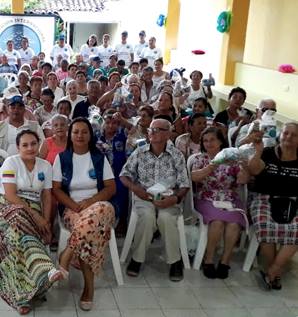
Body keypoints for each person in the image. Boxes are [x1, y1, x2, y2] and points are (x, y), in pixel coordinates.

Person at [247, 122, 298, 291]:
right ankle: (275, 272)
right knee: (265, 225)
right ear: (280, 135)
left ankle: (272, 271)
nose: (289, 137)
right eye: (286, 133)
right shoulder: (267, 153)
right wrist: (258, 151)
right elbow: (253, 171)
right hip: (264, 197)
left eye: (294, 135)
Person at [0, 130, 64, 315]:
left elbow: (47, 197)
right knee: (17, 215)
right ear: (18, 148)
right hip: (6, 208)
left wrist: (47, 223)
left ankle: (21, 298)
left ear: (39, 144)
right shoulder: (11, 162)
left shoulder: (45, 166)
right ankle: (44, 268)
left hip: (31, 213)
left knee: (19, 235)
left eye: (33, 144)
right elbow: (9, 195)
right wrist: (37, 217)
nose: (30, 148)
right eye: (25, 145)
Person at [52, 118, 117, 311]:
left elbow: (111, 187)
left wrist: (91, 201)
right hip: (72, 210)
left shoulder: (99, 157)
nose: (80, 136)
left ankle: (67, 254)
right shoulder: (62, 159)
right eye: (76, 132)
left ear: (90, 135)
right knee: (88, 235)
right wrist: (74, 205)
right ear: (70, 135)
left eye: (84, 132)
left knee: (100, 210)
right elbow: (56, 190)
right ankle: (89, 288)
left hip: (100, 206)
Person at [120, 118, 190, 281]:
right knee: (148, 217)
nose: (153, 133)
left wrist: (174, 199)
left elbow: (185, 184)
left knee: (166, 218)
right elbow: (124, 175)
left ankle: (175, 261)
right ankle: (137, 259)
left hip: (168, 198)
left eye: (158, 130)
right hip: (145, 196)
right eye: (151, 130)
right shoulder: (140, 152)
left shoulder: (176, 155)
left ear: (168, 134)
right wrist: (136, 189)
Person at [191, 126, 250, 279]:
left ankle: (225, 261)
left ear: (220, 141)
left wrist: (244, 164)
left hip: (230, 198)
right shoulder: (200, 158)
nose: (209, 144)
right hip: (206, 197)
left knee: (233, 224)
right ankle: (208, 260)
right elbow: (194, 177)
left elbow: (243, 180)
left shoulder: (232, 159)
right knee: (217, 222)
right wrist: (213, 165)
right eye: (205, 141)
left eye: (212, 140)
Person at [96, 112, 130, 236]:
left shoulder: (122, 135)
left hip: (118, 171)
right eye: (108, 123)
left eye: (114, 123)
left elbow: (134, 130)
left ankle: (122, 219)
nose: (110, 126)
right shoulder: (97, 136)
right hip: (100, 172)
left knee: (121, 188)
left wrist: (122, 119)